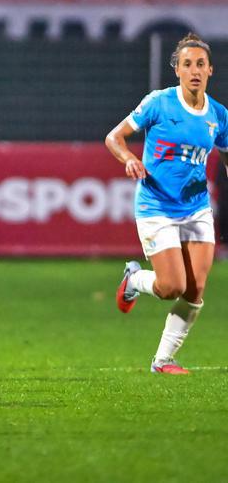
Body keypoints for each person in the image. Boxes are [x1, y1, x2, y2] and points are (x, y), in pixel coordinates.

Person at [105, 33, 228, 374]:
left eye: (200, 64)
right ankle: (134, 281)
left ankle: (163, 360)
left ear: (210, 70)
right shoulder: (158, 103)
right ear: (177, 69)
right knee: (170, 286)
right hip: (156, 206)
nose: (194, 70)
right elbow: (114, 137)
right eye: (187, 64)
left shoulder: (218, 115)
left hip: (197, 208)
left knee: (195, 288)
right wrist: (128, 158)